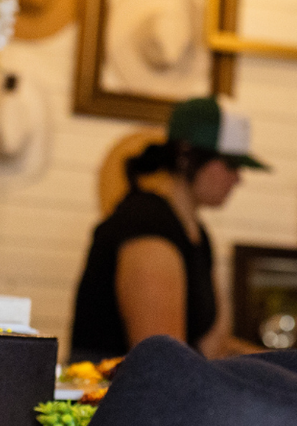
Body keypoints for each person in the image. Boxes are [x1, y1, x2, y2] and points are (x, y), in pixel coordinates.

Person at [68, 97, 267, 364]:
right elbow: (163, 364)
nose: (238, 178)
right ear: (186, 156)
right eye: (230, 164)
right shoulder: (147, 226)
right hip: (106, 400)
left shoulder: (197, 235)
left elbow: (213, 347)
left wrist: (293, 367)